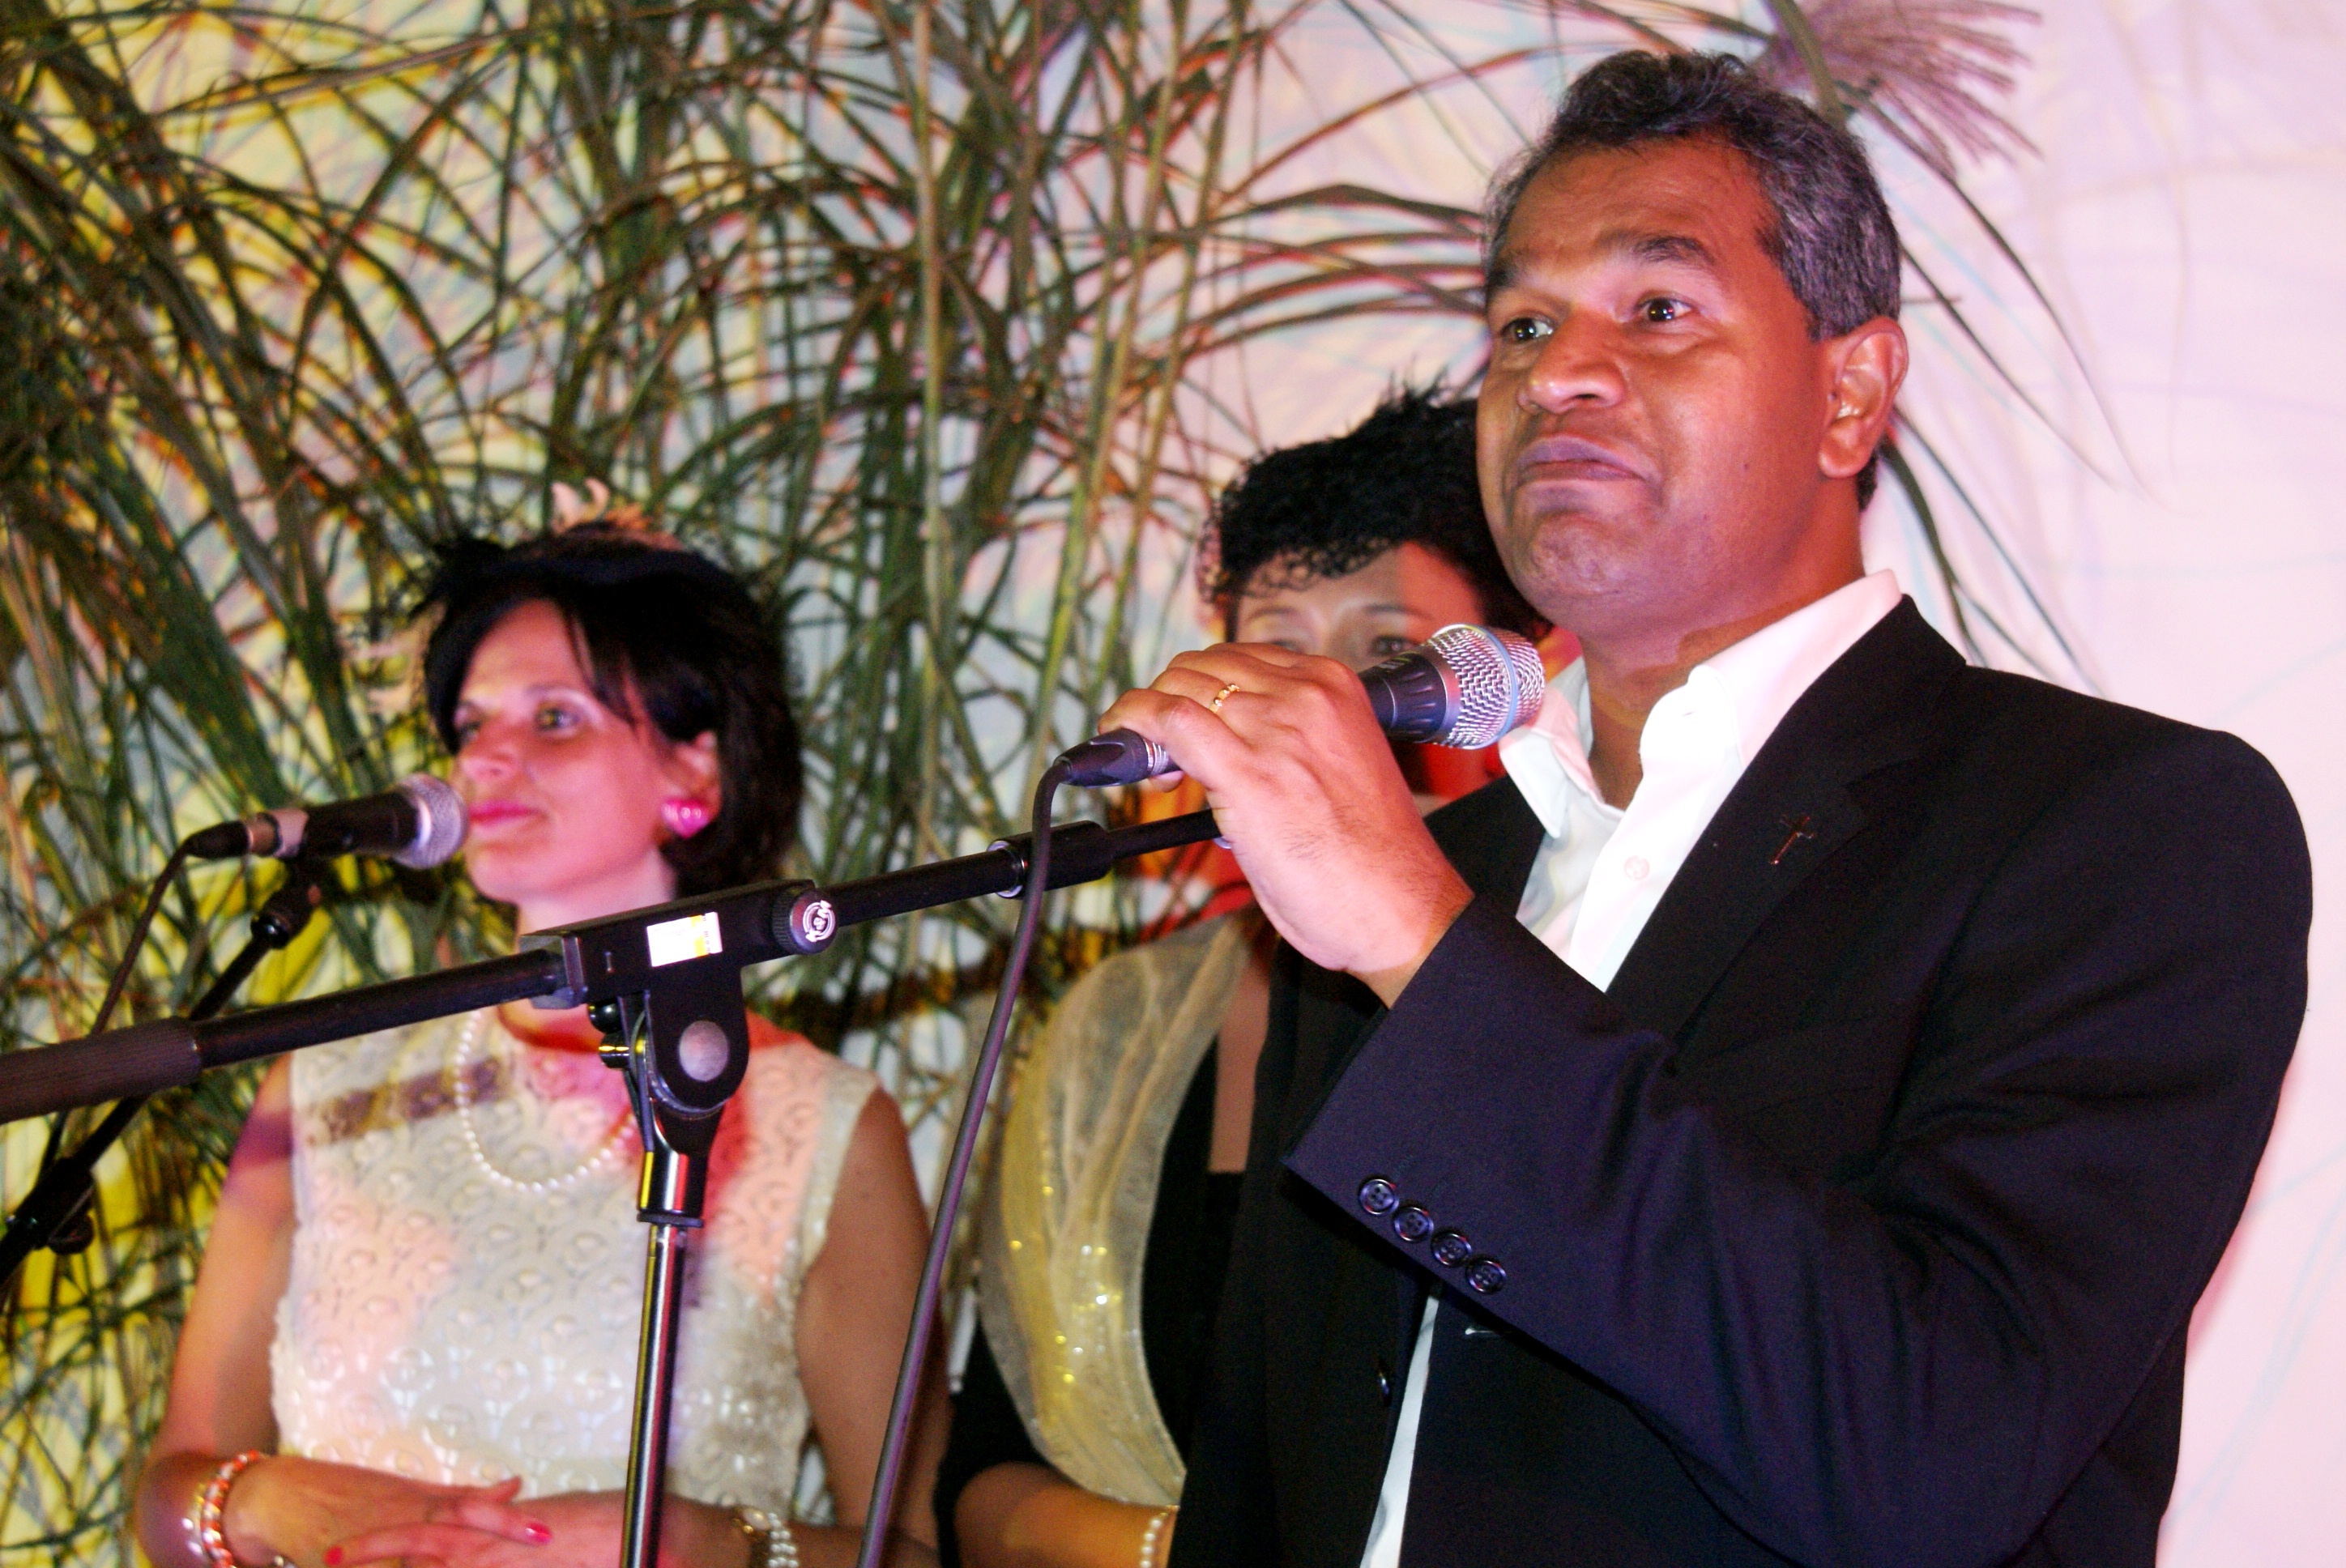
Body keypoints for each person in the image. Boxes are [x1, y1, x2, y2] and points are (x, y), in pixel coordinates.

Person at [1100, 52, 2311, 1568]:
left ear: (1849, 394)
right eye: (1521, 326)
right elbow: (1261, 1477)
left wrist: (1421, 940)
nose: (1557, 374)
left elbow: (1932, 1454)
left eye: (1658, 308)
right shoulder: (1426, 874)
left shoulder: (2119, 829)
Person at [134, 518, 948, 1568]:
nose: (482, 759)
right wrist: (268, 1503)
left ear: (695, 773)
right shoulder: (331, 1081)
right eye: (469, 725)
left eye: (554, 718)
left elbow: (915, 1551)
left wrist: (708, 1545)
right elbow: (171, 1490)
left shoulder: (823, 1125)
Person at [936, 390, 1548, 1568]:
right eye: (1274, 651)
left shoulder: (1571, 990)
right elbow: (983, 1487)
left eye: (1388, 657)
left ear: (1506, 689)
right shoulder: (1122, 1025)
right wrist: (1189, 1548)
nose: (1313, 707)